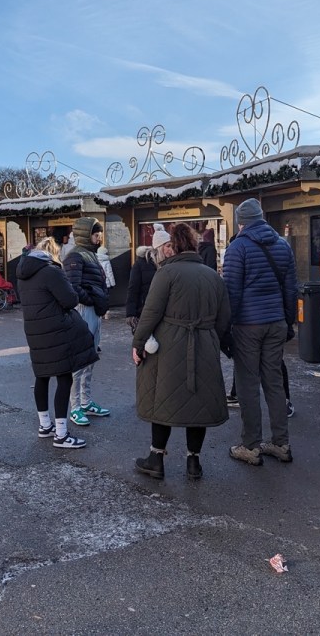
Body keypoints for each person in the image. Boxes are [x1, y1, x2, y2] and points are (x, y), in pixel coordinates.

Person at [132, 222, 231, 480]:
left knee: (162, 398)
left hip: (168, 347)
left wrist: (138, 343)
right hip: (205, 344)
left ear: (173, 246)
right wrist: (210, 340)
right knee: (198, 404)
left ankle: (156, 459)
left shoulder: (166, 273)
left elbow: (150, 313)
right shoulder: (212, 275)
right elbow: (224, 318)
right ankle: (193, 462)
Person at [222, 198, 298, 466]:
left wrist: (225, 328)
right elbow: (291, 289)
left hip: (247, 325)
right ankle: (281, 443)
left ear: (241, 221)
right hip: (276, 321)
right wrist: (288, 322)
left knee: (247, 384)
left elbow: (231, 292)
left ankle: (250, 445)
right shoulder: (282, 246)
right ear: (262, 217)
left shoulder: (237, 248)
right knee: (274, 381)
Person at [16, 237, 98, 449]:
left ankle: (45, 425)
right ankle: (61, 434)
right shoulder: (52, 271)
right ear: (53, 253)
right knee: (63, 378)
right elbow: (70, 300)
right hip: (56, 330)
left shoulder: (23, 275)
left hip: (34, 331)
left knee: (41, 377)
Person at [63, 217, 111, 426]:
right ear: (85, 234)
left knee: (90, 357)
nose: (99, 237)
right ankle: (75, 407)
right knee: (81, 359)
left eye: (99, 233)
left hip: (93, 310)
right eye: (95, 233)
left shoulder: (89, 254)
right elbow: (73, 286)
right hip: (84, 311)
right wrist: (91, 300)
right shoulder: (75, 255)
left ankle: (86, 402)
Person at [125, 235, 160, 334]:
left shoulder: (167, 262)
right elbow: (133, 289)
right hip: (144, 310)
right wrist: (131, 313)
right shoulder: (140, 264)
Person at [96, 245, 116, 319]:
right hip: (106, 283)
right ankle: (106, 313)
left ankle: (100, 312)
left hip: (98, 282)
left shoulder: (95, 260)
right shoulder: (106, 261)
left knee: (99, 297)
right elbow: (109, 273)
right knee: (106, 297)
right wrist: (113, 283)